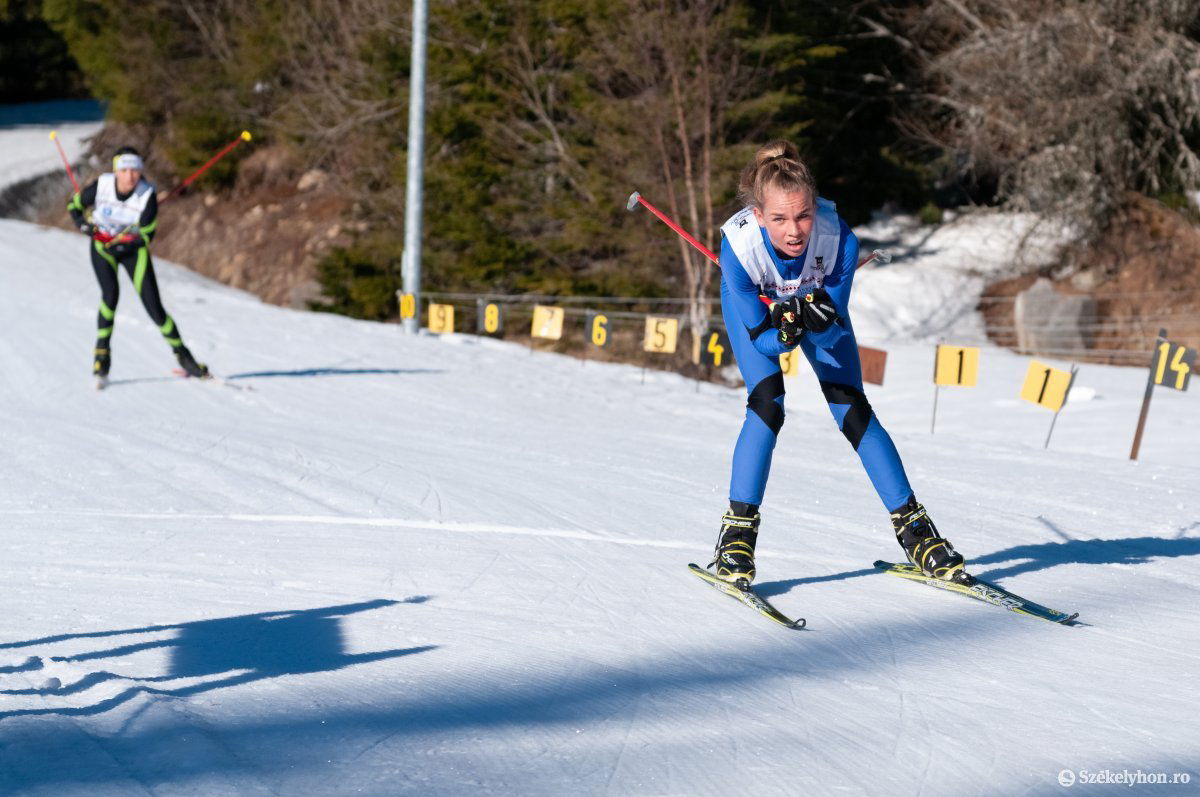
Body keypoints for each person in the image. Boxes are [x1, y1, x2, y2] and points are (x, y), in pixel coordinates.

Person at [710, 140, 966, 586]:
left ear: (815, 208)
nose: (794, 231)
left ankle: (916, 531)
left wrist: (818, 318)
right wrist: (786, 332)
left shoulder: (840, 240)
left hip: (809, 305)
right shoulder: (739, 250)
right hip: (760, 320)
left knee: (851, 406)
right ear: (757, 215)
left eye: (803, 215)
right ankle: (736, 538)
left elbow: (832, 330)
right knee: (768, 403)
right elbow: (765, 343)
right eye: (779, 218)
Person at [68, 146, 209, 384]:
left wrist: (124, 244)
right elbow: (74, 207)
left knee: (154, 308)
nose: (130, 176)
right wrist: (84, 225)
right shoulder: (101, 186)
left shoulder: (146, 195)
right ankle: (102, 356)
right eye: (125, 170)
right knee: (110, 296)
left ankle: (184, 357)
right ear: (116, 171)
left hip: (133, 252)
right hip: (103, 248)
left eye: (135, 170)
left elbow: (146, 235)